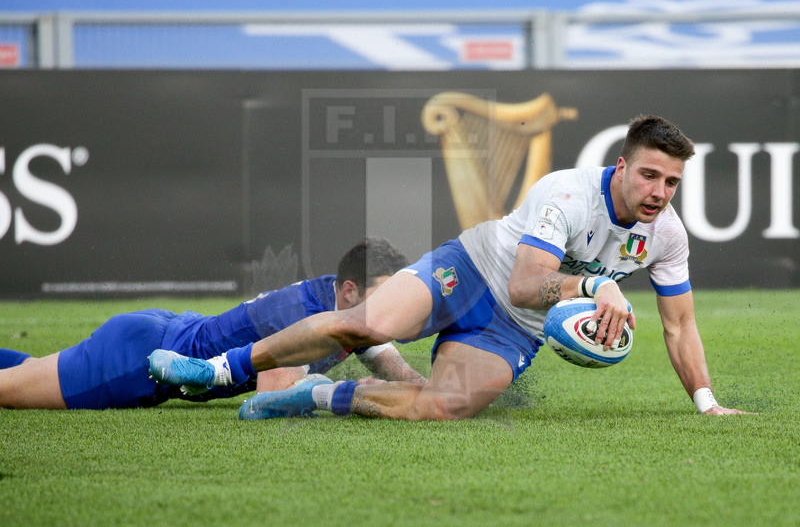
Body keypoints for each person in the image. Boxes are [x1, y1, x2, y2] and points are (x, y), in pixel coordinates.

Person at [150, 115, 750, 420]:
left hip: (514, 329)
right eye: (650, 174)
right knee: (362, 325)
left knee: (445, 407)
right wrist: (596, 286)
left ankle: (312, 396)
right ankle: (219, 371)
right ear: (621, 166)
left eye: (672, 181)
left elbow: (679, 325)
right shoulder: (567, 194)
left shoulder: (666, 236)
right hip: (470, 270)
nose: (660, 191)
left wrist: (706, 400)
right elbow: (522, 281)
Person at [0, 237, 425, 410]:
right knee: (10, 392)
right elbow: (273, 399)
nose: (391, 308)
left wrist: (441, 393)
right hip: (138, 361)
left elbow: (404, 375)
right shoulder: (303, 312)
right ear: (348, 290)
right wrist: (362, 396)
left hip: (162, 333)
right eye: (383, 295)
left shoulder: (352, 314)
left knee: (29, 374)